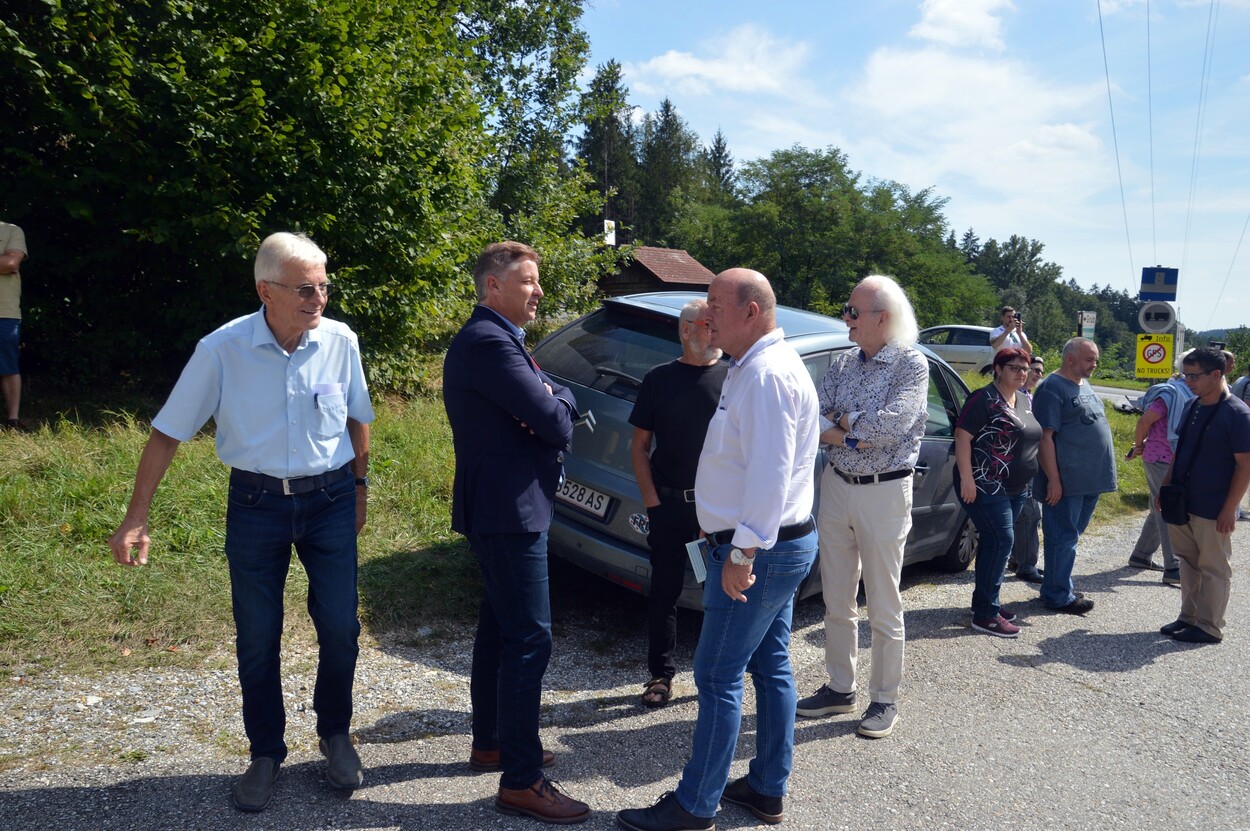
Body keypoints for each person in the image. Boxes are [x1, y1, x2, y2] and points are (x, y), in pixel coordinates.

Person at [108, 232, 374, 812]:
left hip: (329, 500)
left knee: (340, 627)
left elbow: (358, 417)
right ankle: (265, 752)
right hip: (256, 505)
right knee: (257, 635)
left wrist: (359, 488)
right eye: (306, 287)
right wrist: (136, 517)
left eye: (325, 286)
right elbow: (167, 431)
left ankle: (335, 733)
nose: (319, 298)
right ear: (266, 291)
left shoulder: (340, 341)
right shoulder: (222, 349)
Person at [617, 269, 819, 831]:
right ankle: (765, 788)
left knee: (716, 674)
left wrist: (742, 554)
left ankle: (694, 803)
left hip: (758, 551)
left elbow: (770, 475)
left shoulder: (767, 375)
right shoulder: (749, 367)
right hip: (771, 545)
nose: (706, 318)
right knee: (770, 664)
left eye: (716, 307)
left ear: (751, 311)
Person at [443, 241, 590, 825]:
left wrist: (558, 397)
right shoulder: (487, 342)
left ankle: (493, 743)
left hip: (505, 508)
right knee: (531, 639)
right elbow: (555, 422)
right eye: (527, 281)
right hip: (508, 514)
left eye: (538, 281)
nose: (538, 291)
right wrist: (558, 402)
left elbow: (553, 403)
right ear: (491, 288)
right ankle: (522, 781)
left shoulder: (503, 341)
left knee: (501, 631)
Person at [796, 274, 927, 740]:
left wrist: (844, 424)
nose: (845, 318)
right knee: (836, 596)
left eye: (853, 311)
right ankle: (839, 687)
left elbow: (892, 427)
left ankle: (884, 698)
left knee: (884, 602)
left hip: (885, 491)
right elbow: (814, 413)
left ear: (882, 318)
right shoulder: (845, 361)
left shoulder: (911, 365)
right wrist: (856, 431)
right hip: (837, 484)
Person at [629, 299, 727, 709]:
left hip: (717, 511)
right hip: (669, 507)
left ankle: (717, 674)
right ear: (686, 329)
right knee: (664, 592)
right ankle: (660, 675)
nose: (714, 330)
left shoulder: (734, 377)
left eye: (716, 323)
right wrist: (652, 503)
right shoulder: (659, 378)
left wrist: (720, 510)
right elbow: (639, 446)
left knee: (718, 594)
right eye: (707, 323)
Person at [1157, 348, 1250, 644]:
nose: (1189, 381)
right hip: (1183, 499)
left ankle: (1210, 627)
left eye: (1195, 376)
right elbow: (1180, 451)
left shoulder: (1238, 414)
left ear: (1217, 374)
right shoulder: (1192, 405)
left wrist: (1230, 508)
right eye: (1186, 375)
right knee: (1188, 561)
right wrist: (1166, 486)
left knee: (1214, 567)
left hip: (1213, 505)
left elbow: (1245, 465)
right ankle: (1189, 617)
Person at [954, 347, 1042, 638]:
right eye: (1014, 367)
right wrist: (967, 479)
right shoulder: (984, 399)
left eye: (1024, 368)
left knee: (995, 543)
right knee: (1003, 539)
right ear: (998, 369)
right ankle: (986, 615)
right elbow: (963, 437)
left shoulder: (1024, 398)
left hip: (1016, 487)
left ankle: (986, 603)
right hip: (984, 482)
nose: (1021, 372)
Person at [1032, 337, 1116, 614]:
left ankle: (1058, 585)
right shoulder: (1051, 388)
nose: (1095, 364)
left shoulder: (1083, 383)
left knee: (1070, 535)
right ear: (1070, 358)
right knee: (1061, 536)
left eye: (1095, 359)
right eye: (1089, 359)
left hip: (1089, 480)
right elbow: (1045, 439)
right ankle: (1058, 595)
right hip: (1066, 482)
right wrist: (1054, 480)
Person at [1126, 375, 1195, 583]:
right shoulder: (1170, 394)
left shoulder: (1186, 393)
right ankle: (1172, 566)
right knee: (1166, 506)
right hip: (1160, 458)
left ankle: (1141, 554)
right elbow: (1144, 421)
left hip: (1170, 457)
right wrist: (1137, 446)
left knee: (1157, 506)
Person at [1010, 355, 1046, 584]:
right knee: (1030, 515)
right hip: (1021, 464)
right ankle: (1027, 565)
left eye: (1040, 371)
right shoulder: (1016, 398)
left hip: (1029, 462)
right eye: (1032, 369)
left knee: (1023, 515)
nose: (1036, 374)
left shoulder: (1029, 397)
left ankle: (1017, 558)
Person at [0, 221, 28, 430]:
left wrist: (6, 263)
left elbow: (11, 263)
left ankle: (13, 420)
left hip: (4, 311)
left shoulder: (11, 230)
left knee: (8, 365)